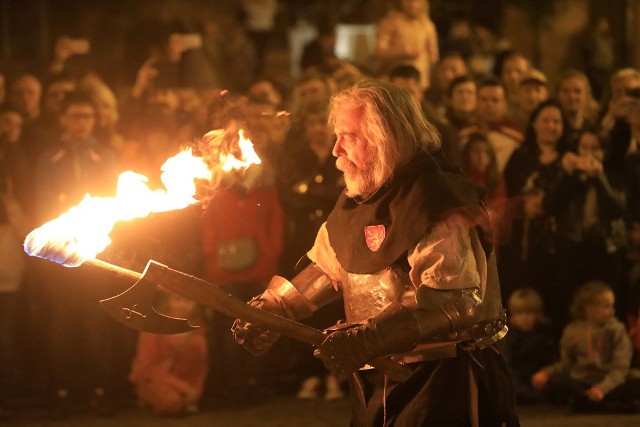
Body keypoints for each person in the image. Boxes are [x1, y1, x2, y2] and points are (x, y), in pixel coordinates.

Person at [232, 79, 519, 426]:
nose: (336, 150)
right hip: (377, 379)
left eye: (348, 137)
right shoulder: (356, 204)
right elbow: (327, 270)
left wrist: (367, 338)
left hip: (444, 380)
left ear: (385, 139)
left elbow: (454, 301)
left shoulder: (437, 200)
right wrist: (272, 310)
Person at [531, 280, 640, 413]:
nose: (612, 311)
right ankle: (606, 405)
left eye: (612, 306)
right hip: (582, 383)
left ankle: (591, 404)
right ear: (589, 308)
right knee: (556, 381)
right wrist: (545, 373)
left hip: (610, 383)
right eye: (606, 306)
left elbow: (620, 369)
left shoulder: (617, 330)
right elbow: (566, 365)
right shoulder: (572, 331)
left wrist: (602, 389)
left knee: (636, 379)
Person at [129, 292, 209, 416]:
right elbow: (147, 367)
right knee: (171, 401)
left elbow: (201, 367)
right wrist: (184, 389)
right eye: (177, 299)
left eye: (188, 301)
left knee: (197, 344)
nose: (182, 305)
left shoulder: (196, 329)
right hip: (152, 379)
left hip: (182, 382)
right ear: (169, 300)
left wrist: (196, 391)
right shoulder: (154, 326)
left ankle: (181, 402)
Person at [504, 288, 557, 404]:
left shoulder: (545, 333)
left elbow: (555, 361)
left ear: (538, 314)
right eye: (519, 313)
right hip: (517, 379)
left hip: (540, 377)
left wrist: (546, 373)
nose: (525, 317)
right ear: (512, 315)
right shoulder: (508, 336)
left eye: (529, 313)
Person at [376, 0, 439, 90]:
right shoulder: (390, 23)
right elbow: (380, 51)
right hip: (395, 79)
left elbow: (433, 55)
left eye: (416, 1)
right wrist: (402, 52)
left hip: (419, 81)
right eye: (408, 1)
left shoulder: (427, 25)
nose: (412, 4)